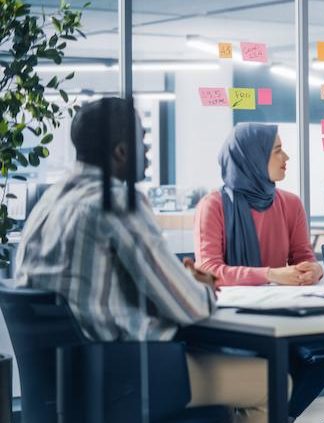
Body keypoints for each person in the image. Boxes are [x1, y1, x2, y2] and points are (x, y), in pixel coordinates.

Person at [13, 98, 273, 423]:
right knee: (272, 382)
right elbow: (190, 307)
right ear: (121, 152)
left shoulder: (48, 202)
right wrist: (201, 284)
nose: (148, 152)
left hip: (65, 383)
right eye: (142, 141)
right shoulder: (116, 203)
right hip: (127, 378)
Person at [193, 123, 324, 418]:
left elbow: (304, 257)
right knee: (278, 360)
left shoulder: (291, 204)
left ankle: (278, 417)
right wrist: (271, 274)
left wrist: (313, 271)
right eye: (277, 150)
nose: (286, 157)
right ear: (252, 157)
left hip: (280, 314)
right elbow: (208, 270)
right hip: (231, 321)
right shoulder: (214, 206)